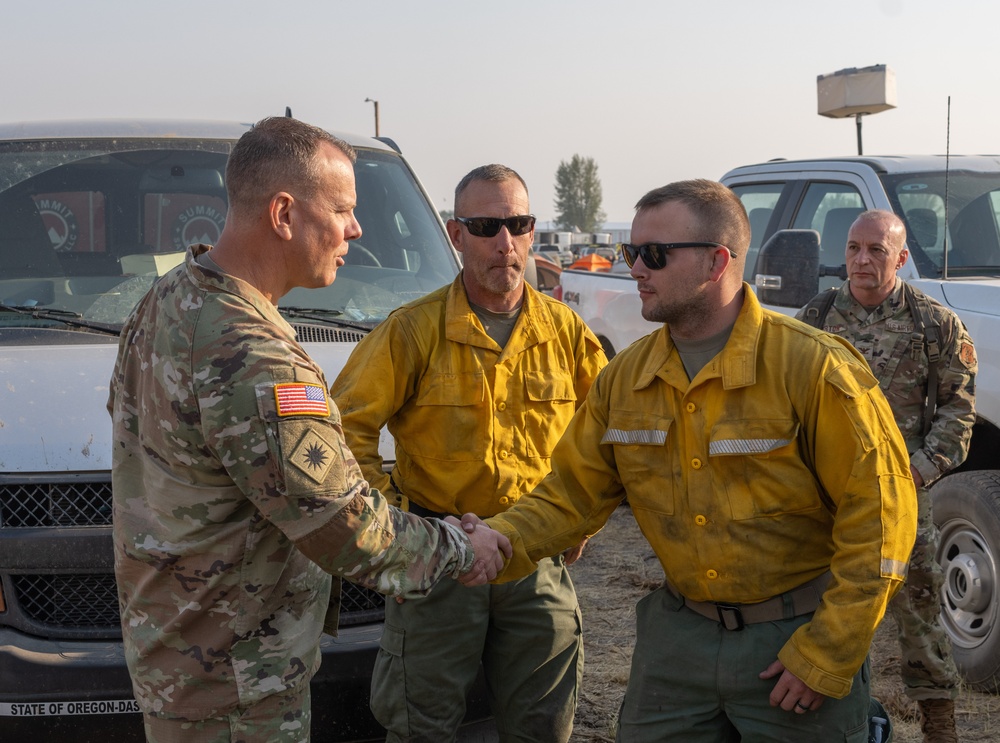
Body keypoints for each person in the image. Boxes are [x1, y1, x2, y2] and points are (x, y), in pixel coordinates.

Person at [107, 117, 510, 743]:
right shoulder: (253, 356)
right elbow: (347, 530)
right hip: (238, 684)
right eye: (344, 209)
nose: (356, 228)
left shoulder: (168, 299)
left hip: (185, 658)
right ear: (284, 213)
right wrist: (461, 548)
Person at [476, 179, 918, 742]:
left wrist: (827, 651)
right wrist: (496, 540)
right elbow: (570, 495)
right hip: (676, 646)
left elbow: (882, 521)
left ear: (716, 261)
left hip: (793, 644)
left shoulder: (813, 369)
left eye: (654, 255)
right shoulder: (626, 380)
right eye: (632, 252)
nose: (635, 268)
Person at [331, 164, 607, 742]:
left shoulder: (565, 332)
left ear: (532, 233)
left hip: (534, 560)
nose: (504, 242)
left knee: (544, 724)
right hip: (437, 563)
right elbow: (345, 428)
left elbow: (604, 439)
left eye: (517, 224)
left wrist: (581, 520)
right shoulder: (413, 331)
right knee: (420, 724)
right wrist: (393, 529)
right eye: (485, 226)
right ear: (456, 236)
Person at [797, 209, 977, 743]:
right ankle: (835, 723)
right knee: (818, 610)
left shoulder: (934, 324)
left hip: (900, 499)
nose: (861, 260)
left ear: (900, 258)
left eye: (876, 250)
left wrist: (915, 475)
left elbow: (957, 413)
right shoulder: (818, 316)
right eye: (854, 248)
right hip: (825, 498)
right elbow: (790, 401)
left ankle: (939, 727)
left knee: (919, 613)